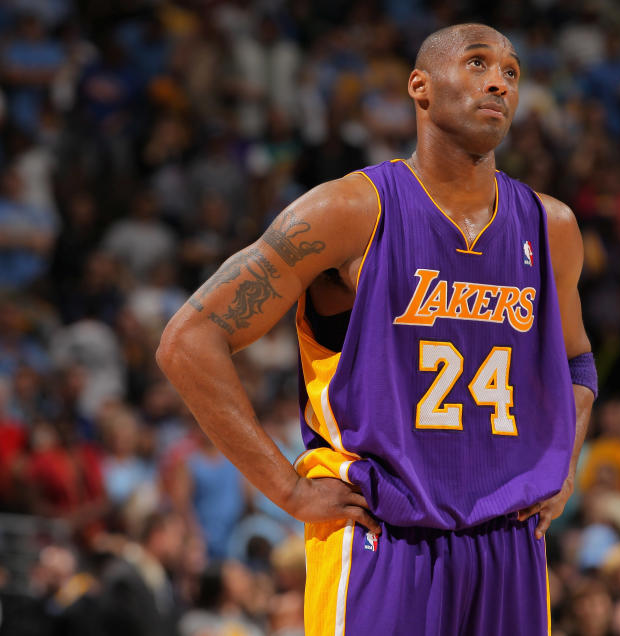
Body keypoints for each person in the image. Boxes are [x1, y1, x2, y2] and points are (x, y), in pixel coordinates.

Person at [158, 23, 597, 635]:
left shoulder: (551, 226)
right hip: (383, 535)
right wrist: (286, 488)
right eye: (477, 63)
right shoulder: (349, 211)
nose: (499, 80)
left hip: (508, 543)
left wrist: (563, 466)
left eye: (511, 72)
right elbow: (188, 340)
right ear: (419, 86)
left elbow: (577, 363)